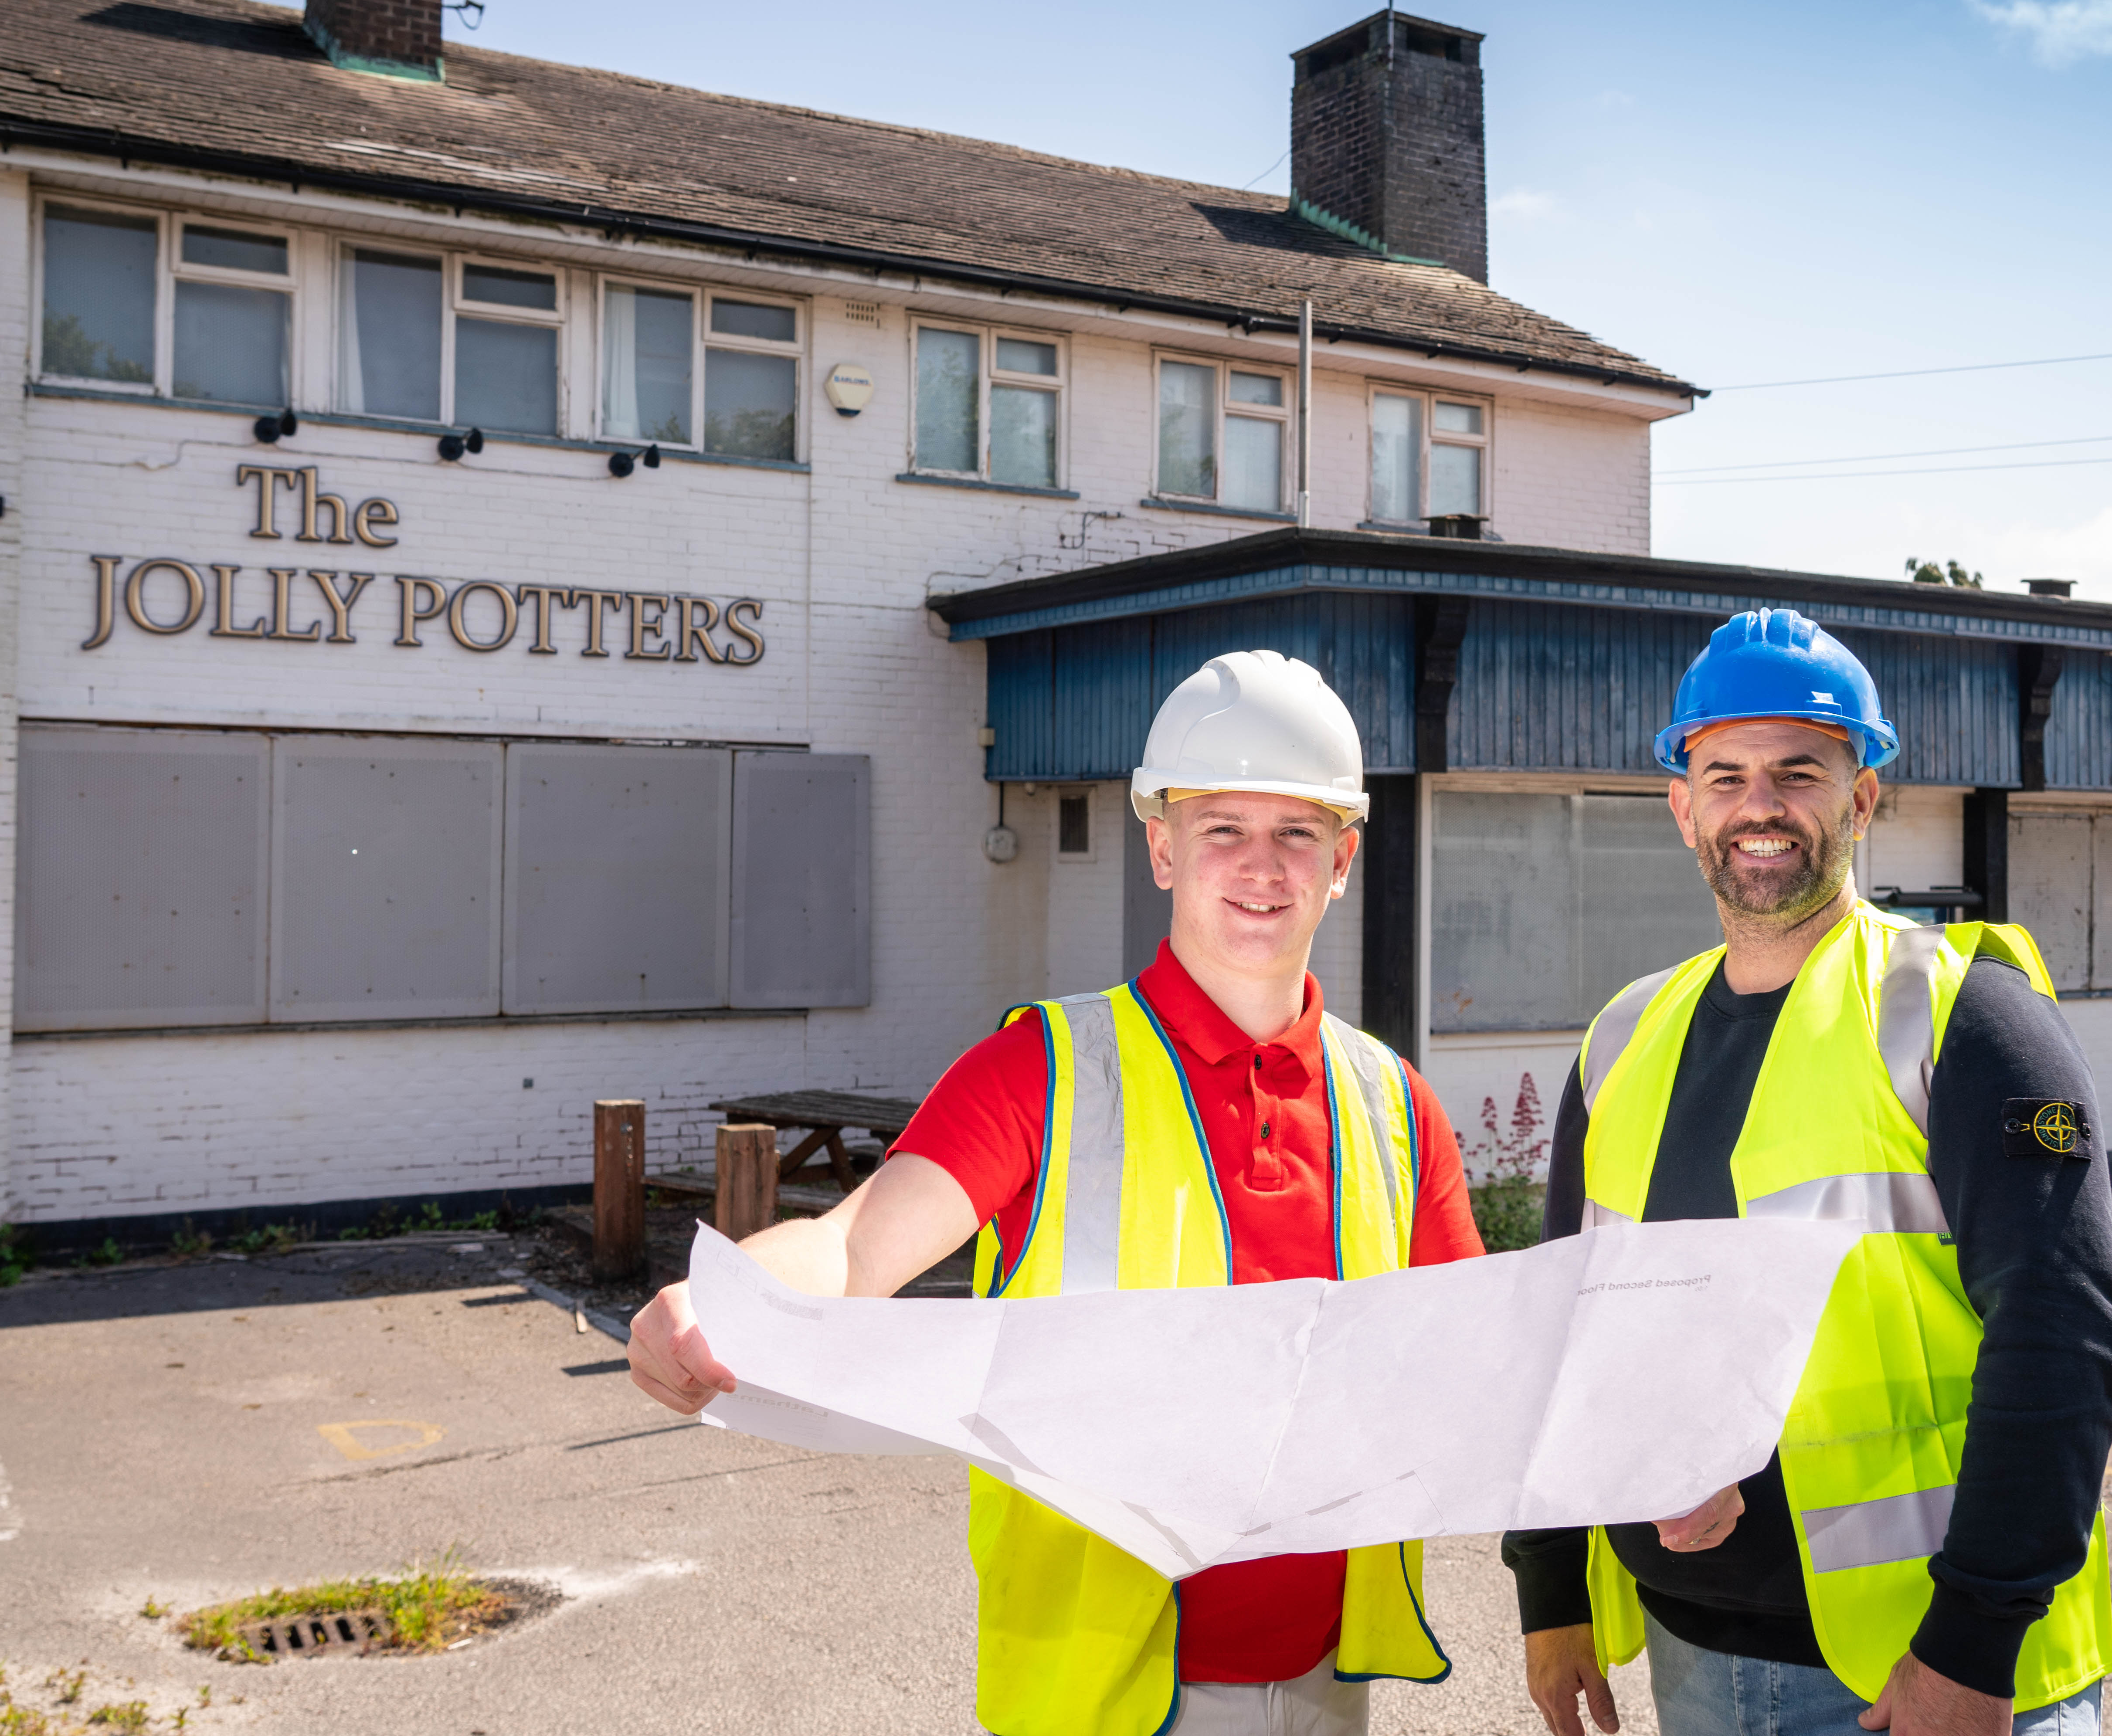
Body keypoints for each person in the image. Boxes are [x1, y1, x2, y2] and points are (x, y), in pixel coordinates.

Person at [629, 648, 1483, 1736]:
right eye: (1223, 827)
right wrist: (723, 1299)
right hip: (1098, 1700)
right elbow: (855, 1244)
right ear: (1162, 847)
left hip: (1327, 1686)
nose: (1262, 865)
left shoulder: (1395, 1102)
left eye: (1297, 831)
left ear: (1343, 857)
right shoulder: (1041, 1070)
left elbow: (1483, 1362)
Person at [1502, 609, 2112, 1736]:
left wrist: (1970, 1644)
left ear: (1862, 797)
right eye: (1725, 775)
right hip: (1693, 1658)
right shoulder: (1623, 1038)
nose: (1761, 805)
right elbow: (1568, 1324)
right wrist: (1549, 1586)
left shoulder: (1963, 1015)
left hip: (1924, 1674)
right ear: (1682, 807)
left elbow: (2062, 1337)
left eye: (1799, 771)